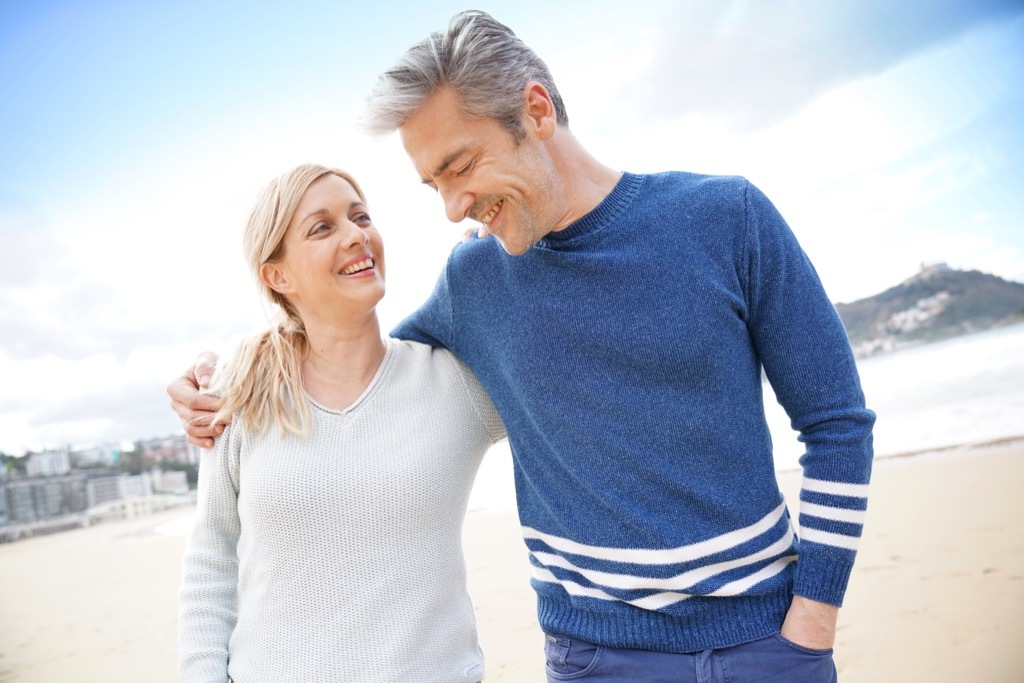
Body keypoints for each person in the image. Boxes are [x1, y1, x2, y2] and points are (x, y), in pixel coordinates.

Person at [171, 11, 875, 682]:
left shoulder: (728, 218)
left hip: (768, 642)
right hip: (596, 657)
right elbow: (351, 354)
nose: (451, 206)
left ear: (536, 111)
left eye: (460, 166)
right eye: (432, 183)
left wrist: (814, 615)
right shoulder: (474, 280)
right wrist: (223, 373)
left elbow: (836, 422)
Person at [176, 163, 504, 683]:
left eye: (360, 217)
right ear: (277, 276)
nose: (357, 235)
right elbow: (212, 556)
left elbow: (567, 386)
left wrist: (513, 267)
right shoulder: (240, 394)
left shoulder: (456, 383)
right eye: (322, 227)